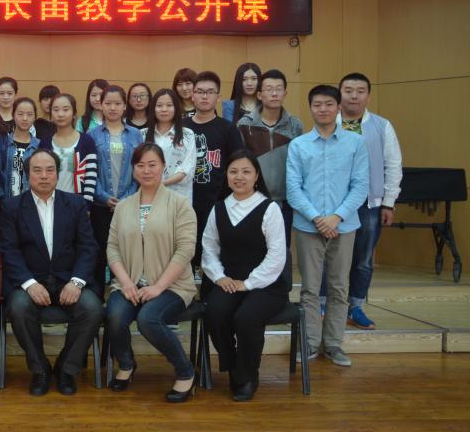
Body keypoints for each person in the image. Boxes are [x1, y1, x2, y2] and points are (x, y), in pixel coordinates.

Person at [0, 149, 102, 396]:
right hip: (30, 281)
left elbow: (88, 247)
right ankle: (40, 369)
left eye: (49, 170)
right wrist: (29, 283)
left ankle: (66, 368)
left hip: (69, 279)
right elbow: (9, 250)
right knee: (19, 307)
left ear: (57, 173)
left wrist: (77, 282)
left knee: (92, 308)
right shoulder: (12, 207)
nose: (44, 176)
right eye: (37, 170)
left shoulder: (75, 204)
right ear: (27, 175)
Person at [105, 143, 198, 402]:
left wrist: (158, 287)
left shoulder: (180, 204)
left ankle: (186, 372)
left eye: (152, 165)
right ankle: (126, 364)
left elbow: (185, 250)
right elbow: (112, 248)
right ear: (134, 169)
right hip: (130, 283)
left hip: (172, 286)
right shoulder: (123, 207)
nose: (146, 170)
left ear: (163, 166)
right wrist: (126, 282)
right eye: (140, 165)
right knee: (115, 315)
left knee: (148, 319)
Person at [287, 85, 369, 368]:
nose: (323, 109)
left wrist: (336, 217)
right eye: (317, 104)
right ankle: (310, 343)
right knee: (310, 289)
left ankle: (333, 344)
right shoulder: (298, 145)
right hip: (308, 227)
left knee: (338, 288)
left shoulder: (355, 143)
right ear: (310, 108)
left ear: (338, 107)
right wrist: (317, 218)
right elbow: (293, 189)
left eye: (328, 104)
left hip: (344, 227)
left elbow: (360, 186)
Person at [201, 151, 288, 402]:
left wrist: (249, 283)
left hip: (267, 285)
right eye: (233, 171)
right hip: (229, 281)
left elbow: (277, 255)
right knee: (215, 313)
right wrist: (219, 277)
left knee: (246, 317)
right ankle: (234, 367)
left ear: (257, 175)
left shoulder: (269, 208)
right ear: (227, 176)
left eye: (246, 171)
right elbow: (209, 248)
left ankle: (248, 376)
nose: (239, 177)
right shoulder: (219, 208)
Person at [331, 72, 402, 330]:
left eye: (360, 91)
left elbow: (393, 164)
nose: (354, 96)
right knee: (331, 257)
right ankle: (326, 304)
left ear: (368, 96)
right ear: (339, 93)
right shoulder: (328, 122)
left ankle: (356, 307)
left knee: (362, 260)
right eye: (348, 90)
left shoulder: (382, 126)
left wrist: (388, 202)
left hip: (369, 205)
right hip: (334, 205)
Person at [185, 71, 245, 272]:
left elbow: (237, 165)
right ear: (192, 95)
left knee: (213, 253)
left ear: (218, 97)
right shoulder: (181, 127)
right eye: (200, 92)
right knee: (185, 250)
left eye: (210, 92)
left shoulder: (228, 129)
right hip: (184, 201)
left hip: (217, 202)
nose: (204, 96)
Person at [237, 69, 304, 241]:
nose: (274, 93)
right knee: (252, 246)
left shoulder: (295, 125)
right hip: (253, 198)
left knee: (281, 247)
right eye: (269, 89)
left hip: (286, 202)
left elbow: (301, 164)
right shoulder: (245, 124)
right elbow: (240, 163)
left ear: (285, 93)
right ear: (259, 94)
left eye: (279, 89)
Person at [89, 85, 144, 288]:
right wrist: (103, 197)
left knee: (124, 251)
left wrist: (127, 198)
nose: (113, 108)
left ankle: (122, 292)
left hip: (128, 204)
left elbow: (140, 168)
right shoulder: (92, 135)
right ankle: (97, 295)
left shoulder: (136, 135)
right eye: (108, 103)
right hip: (100, 205)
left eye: (117, 103)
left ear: (124, 106)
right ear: (101, 105)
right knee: (99, 250)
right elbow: (89, 171)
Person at [41, 93, 98, 203]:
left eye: (66, 110)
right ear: (51, 114)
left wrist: (86, 205)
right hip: (49, 202)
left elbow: (91, 175)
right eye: (56, 110)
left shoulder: (86, 141)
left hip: (77, 203)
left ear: (74, 114)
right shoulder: (45, 143)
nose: (60, 114)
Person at [143, 88, 196, 202]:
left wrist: (162, 184)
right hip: (149, 196)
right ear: (153, 108)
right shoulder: (142, 134)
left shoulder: (187, 134)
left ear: (176, 108)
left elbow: (187, 169)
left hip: (179, 198)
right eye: (159, 105)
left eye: (169, 105)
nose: (164, 109)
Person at [4, 97, 41, 198]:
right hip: (7, 199)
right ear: (13, 115)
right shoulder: (4, 143)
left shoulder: (39, 146)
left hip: (31, 199)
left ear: (35, 117)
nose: (25, 118)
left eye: (30, 114)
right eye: (20, 114)